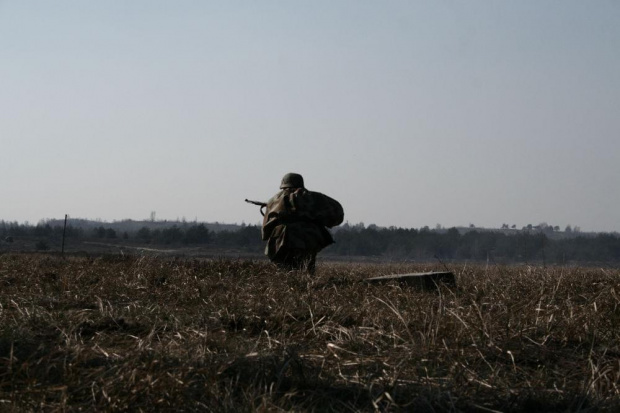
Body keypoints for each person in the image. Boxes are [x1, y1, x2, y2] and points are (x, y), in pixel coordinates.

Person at [261, 173, 344, 274]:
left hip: (282, 240)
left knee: (283, 272)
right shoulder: (314, 197)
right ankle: (306, 287)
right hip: (308, 239)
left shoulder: (274, 199)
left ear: (284, 185)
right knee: (307, 271)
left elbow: (265, 231)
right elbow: (336, 213)